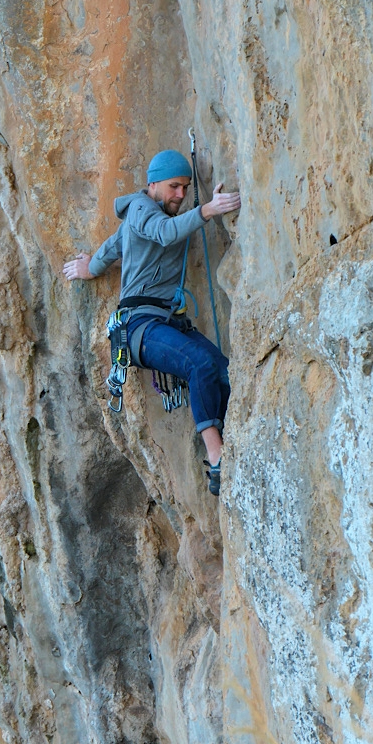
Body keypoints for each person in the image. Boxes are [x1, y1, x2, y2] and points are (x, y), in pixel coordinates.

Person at [63, 149, 241, 494]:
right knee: (199, 363)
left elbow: (114, 247)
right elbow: (164, 233)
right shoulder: (143, 209)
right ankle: (217, 456)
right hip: (139, 327)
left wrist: (92, 267)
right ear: (153, 183)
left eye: (186, 189)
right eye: (174, 186)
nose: (180, 195)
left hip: (165, 323)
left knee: (224, 371)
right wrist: (206, 210)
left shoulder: (140, 218)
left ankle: (229, 444)